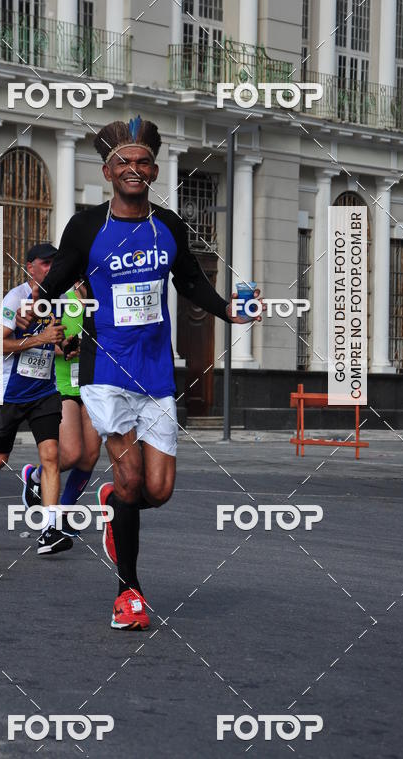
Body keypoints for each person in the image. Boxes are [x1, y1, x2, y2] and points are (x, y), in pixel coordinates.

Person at [36, 116, 257, 630]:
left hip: (156, 374)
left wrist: (232, 311)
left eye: (142, 162)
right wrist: (38, 307)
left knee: (157, 490)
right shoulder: (87, 227)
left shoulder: (169, 226)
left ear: (154, 170)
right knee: (131, 475)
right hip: (106, 370)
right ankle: (129, 593)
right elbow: (59, 277)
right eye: (123, 162)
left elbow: (192, 284)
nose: (133, 170)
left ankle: (114, 502)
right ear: (108, 170)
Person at [0, 242, 70, 556]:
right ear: (30, 267)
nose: (52, 268)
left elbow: (57, 341)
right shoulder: (15, 298)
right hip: (9, 392)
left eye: (56, 262)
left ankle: (50, 530)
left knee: (51, 456)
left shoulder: (60, 298)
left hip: (43, 391)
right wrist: (39, 338)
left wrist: (66, 344)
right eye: (46, 263)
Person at [21, 283, 102, 539]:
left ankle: (64, 513)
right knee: (71, 454)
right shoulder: (59, 302)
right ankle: (34, 475)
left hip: (93, 385)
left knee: (89, 456)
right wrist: (64, 347)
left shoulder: (103, 303)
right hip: (63, 384)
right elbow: (39, 340)